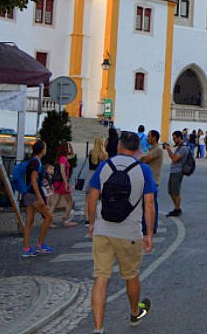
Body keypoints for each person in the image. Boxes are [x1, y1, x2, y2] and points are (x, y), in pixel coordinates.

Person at [87, 132, 156, 334]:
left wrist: (92, 224)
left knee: (101, 279)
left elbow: (92, 199)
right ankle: (135, 313)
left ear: (118, 147)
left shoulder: (104, 166)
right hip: (130, 233)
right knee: (131, 276)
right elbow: (149, 204)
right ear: (137, 149)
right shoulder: (144, 170)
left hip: (103, 230)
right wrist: (148, 234)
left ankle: (98, 329)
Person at [21, 140, 54, 257]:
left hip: (28, 194)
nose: (46, 149)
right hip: (34, 194)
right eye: (45, 147)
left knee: (29, 221)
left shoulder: (34, 161)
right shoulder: (36, 162)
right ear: (41, 149)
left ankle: (26, 248)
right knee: (49, 217)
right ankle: (41, 244)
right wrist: (40, 198)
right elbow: (34, 180)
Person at [139, 130, 163, 235]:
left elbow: (145, 159)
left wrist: (141, 158)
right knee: (146, 205)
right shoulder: (151, 149)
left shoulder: (157, 150)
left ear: (154, 138)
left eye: (149, 136)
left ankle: (152, 227)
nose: (147, 138)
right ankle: (147, 226)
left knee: (151, 205)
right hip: (147, 180)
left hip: (152, 181)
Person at [50, 142, 78, 227]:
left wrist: (71, 146)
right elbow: (62, 171)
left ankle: (48, 221)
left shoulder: (61, 157)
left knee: (55, 203)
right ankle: (66, 220)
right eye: (68, 148)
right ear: (65, 149)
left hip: (57, 183)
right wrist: (66, 183)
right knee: (70, 201)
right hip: (62, 183)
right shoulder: (63, 158)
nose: (69, 149)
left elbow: (73, 155)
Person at [163, 131, 188, 217]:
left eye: (175, 138)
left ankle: (177, 209)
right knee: (171, 191)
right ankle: (176, 208)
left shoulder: (183, 148)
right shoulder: (179, 147)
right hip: (174, 171)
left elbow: (174, 159)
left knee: (175, 192)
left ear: (179, 138)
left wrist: (168, 149)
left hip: (178, 172)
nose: (174, 140)